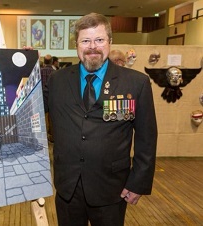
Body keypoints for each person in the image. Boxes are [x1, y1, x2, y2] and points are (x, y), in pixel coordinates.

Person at [44, 13, 157, 226]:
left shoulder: (136, 83)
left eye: (99, 40)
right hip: (68, 188)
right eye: (85, 41)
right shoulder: (57, 80)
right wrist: (20, 65)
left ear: (110, 42)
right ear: (76, 45)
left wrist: (138, 183)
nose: (92, 47)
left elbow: (147, 138)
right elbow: (32, 108)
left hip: (112, 189)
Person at [40, 54, 55, 142]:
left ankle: (44, 138)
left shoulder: (40, 71)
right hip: (53, 98)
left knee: (43, 119)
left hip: (42, 98)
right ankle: (52, 137)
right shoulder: (55, 72)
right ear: (52, 61)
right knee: (52, 119)